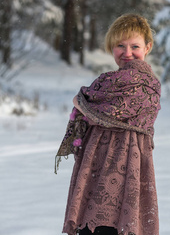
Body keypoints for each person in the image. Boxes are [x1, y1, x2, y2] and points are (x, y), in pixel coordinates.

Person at [55, 13, 161, 235]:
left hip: (127, 165)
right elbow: (100, 111)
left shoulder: (147, 85)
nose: (127, 53)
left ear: (147, 47)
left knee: (112, 227)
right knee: (89, 227)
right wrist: (85, 105)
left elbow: (109, 112)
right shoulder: (105, 81)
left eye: (135, 46)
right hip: (95, 163)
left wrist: (81, 104)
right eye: (120, 45)